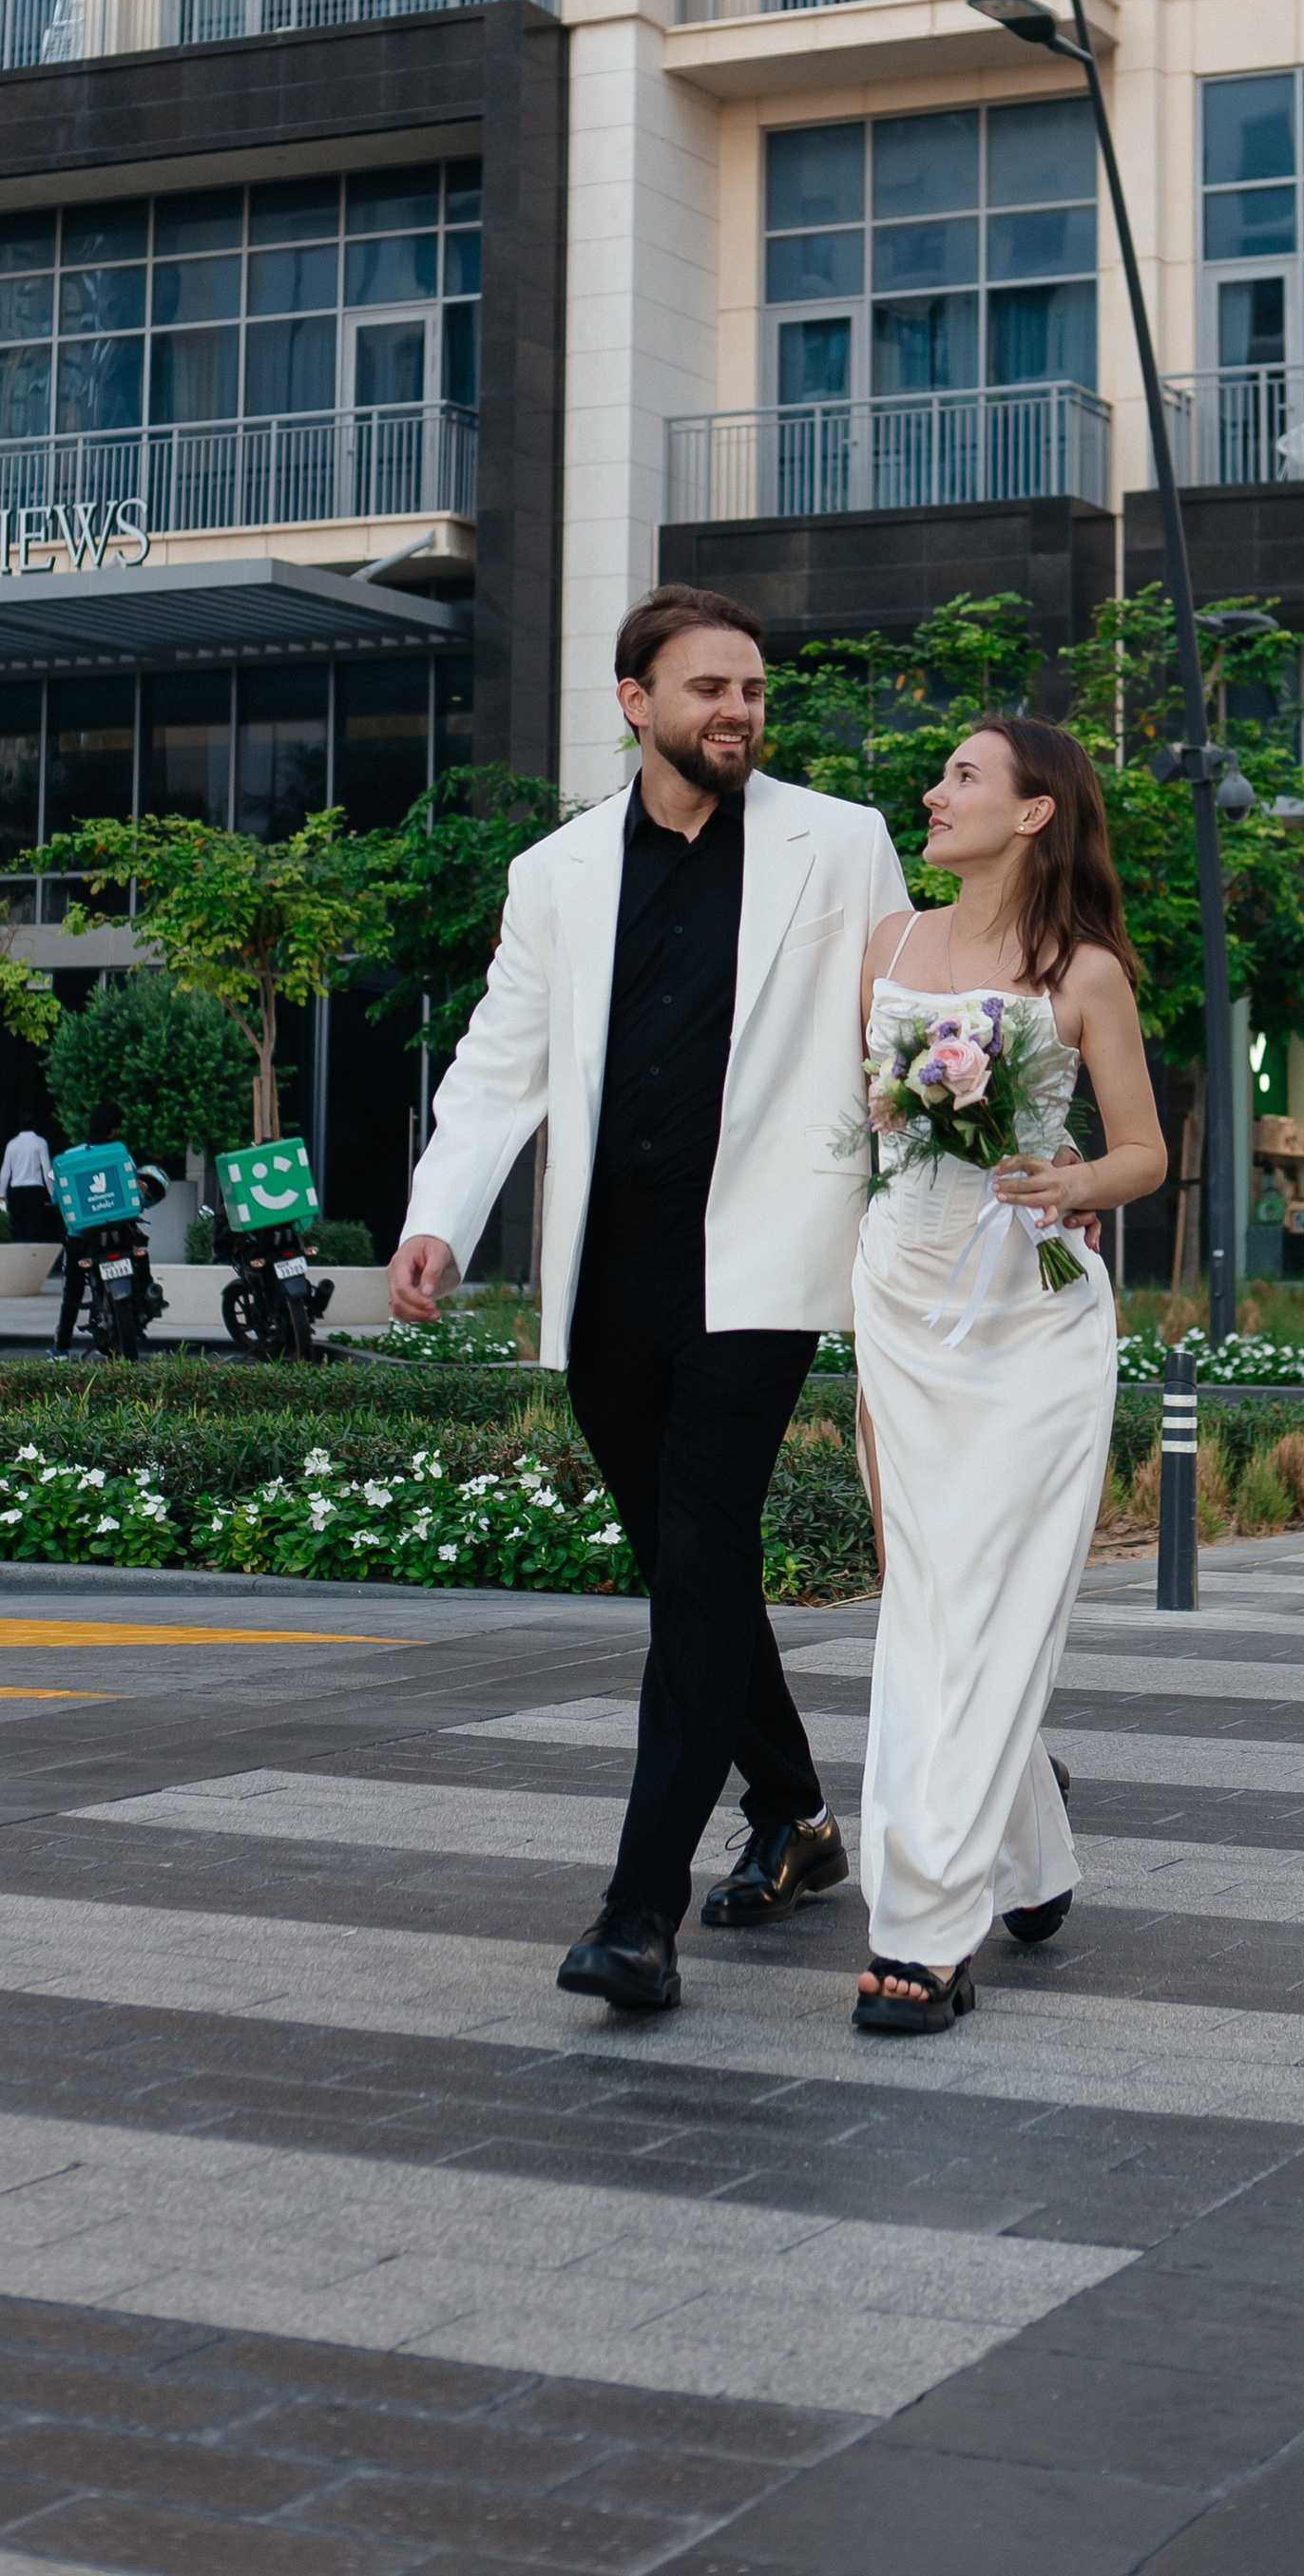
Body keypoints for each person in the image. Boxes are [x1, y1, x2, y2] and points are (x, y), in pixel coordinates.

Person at [389, 585, 910, 2014]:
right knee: (691, 1568)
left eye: (752, 689)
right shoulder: (555, 873)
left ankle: (637, 1909)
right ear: (638, 704)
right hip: (609, 1275)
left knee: (697, 1554)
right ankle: (799, 1813)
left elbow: (900, 1032)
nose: (739, 711)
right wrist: (441, 1217)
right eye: (709, 690)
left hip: (763, 1263)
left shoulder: (842, 842)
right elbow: (501, 1064)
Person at [850, 719, 1165, 2035]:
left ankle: (923, 1926)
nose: (933, 792)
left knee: (976, 1606)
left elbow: (1139, 1149)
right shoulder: (889, 945)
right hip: (902, 1293)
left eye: (965, 776)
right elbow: (843, 1123)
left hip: (1031, 1312)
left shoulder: (1083, 971)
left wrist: (1074, 1180)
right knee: (933, 1600)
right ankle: (1032, 1847)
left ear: (1036, 813)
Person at [0, 1124, 58, 1243]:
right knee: (36, 1224)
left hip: (16, 1189)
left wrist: (1, 1194)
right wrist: (53, 1194)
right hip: (35, 1189)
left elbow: (5, 1171)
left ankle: (20, 1249)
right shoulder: (40, 1142)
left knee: (19, 1224)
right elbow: (47, 1170)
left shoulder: (12, 1144)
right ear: (35, 1126)